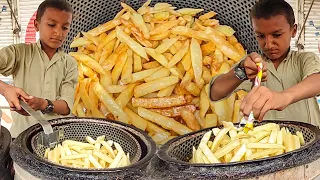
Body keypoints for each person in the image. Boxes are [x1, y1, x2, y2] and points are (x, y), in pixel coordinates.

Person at [209, 0, 320, 126]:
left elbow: (317, 80)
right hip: (267, 143)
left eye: (276, 35)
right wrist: (241, 72)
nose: (268, 44)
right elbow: (215, 93)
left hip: (310, 141)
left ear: (293, 31)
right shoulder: (252, 65)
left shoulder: (304, 59)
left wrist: (283, 97)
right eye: (261, 36)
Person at [0, 0, 78, 138]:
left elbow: (66, 107)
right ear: (37, 25)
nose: (58, 33)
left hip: (58, 141)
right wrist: (6, 89)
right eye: (52, 25)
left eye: (65, 27)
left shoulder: (69, 63)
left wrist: (43, 104)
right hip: (21, 138)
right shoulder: (19, 53)